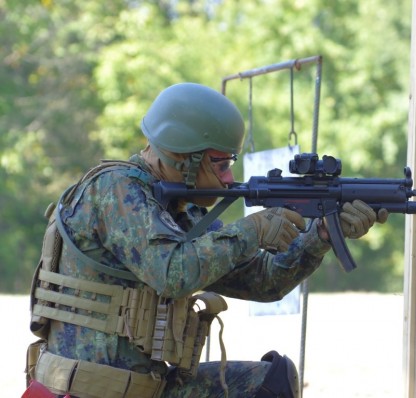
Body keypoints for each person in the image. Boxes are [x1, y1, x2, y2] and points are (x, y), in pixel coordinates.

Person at [25, 83, 387, 398]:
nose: (229, 179)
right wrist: (254, 230)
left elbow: (264, 281)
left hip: (144, 387)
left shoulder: (176, 210)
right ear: (184, 155)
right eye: (220, 163)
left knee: (270, 382)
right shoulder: (116, 189)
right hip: (88, 391)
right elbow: (172, 273)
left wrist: (321, 234)